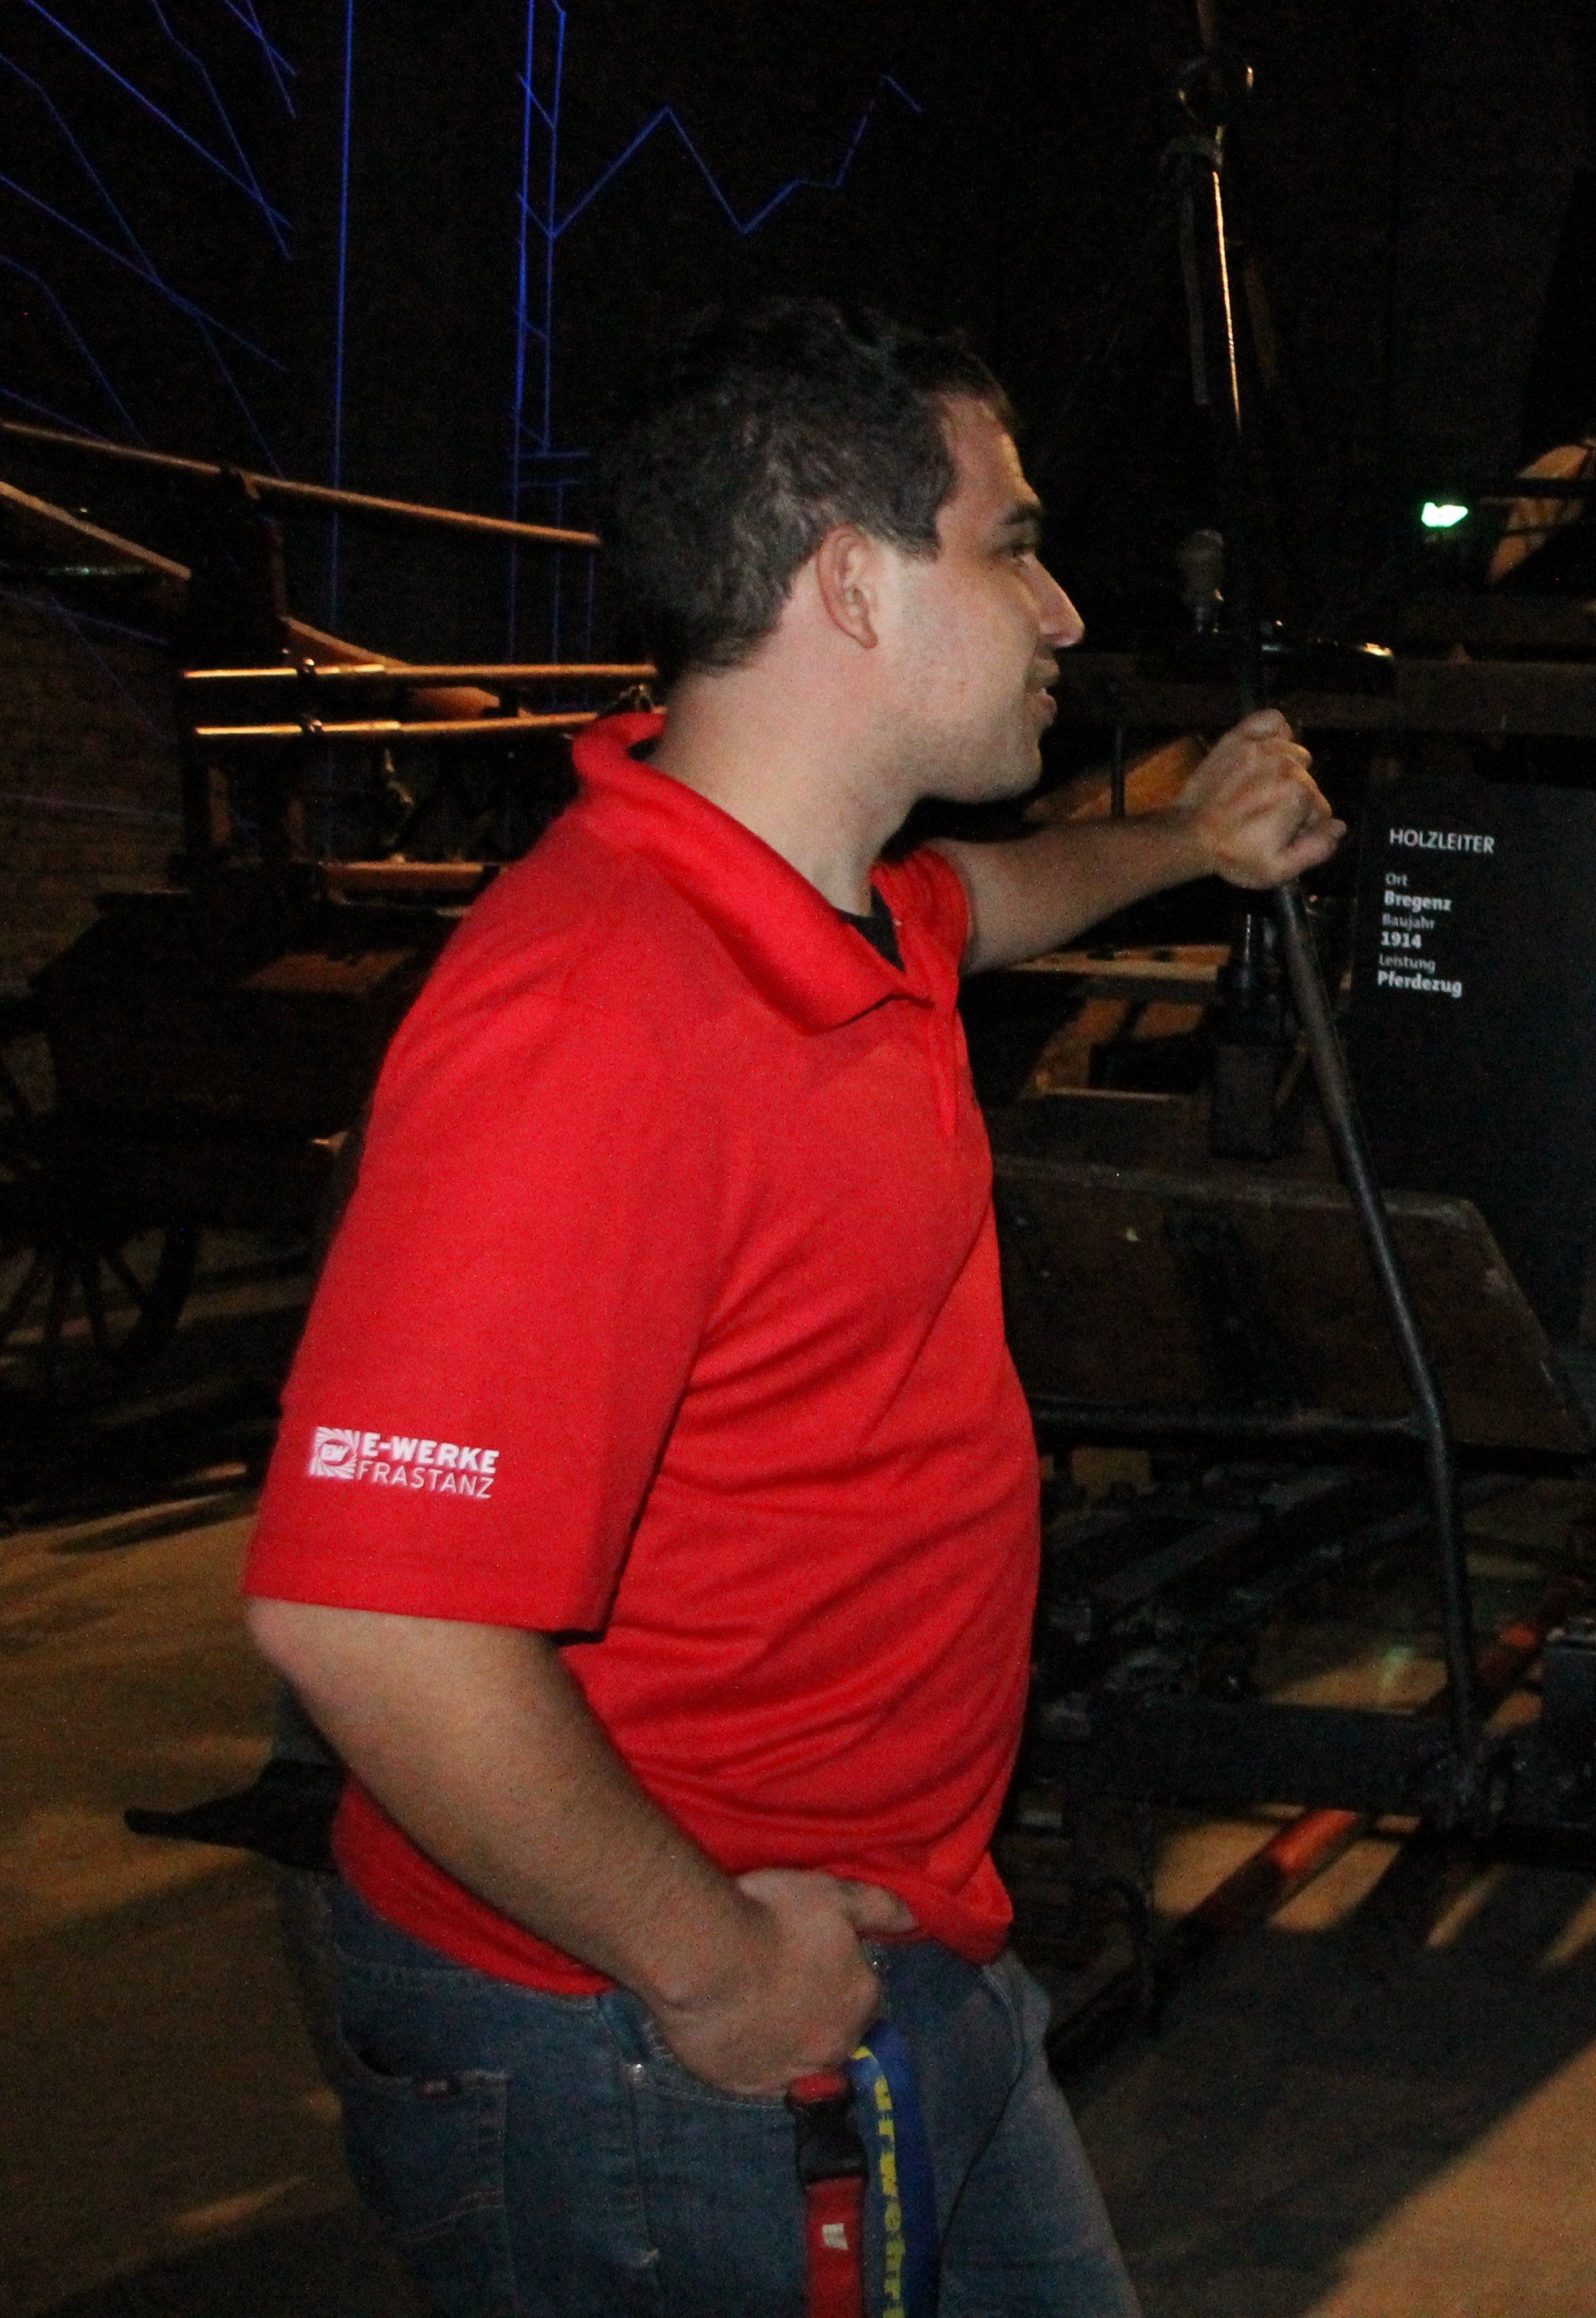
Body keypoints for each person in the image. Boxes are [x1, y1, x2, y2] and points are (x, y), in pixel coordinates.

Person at [238, 297, 1341, 2318]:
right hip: (646, 2031)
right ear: (850, 582)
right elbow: (368, 1617)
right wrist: (716, 1964)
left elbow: (997, 899)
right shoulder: (598, 1011)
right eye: (1013, 543)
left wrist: (1190, 838)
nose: (1063, 609)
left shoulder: (836, 910)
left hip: (898, 1948)